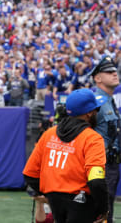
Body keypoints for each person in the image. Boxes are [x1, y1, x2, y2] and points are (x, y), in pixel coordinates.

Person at [23, 88, 109, 223]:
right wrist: (104, 209)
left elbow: (30, 174)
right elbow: (96, 181)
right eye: (96, 110)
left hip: (55, 203)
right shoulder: (93, 138)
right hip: (83, 204)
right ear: (89, 113)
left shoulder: (49, 134)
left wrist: (50, 195)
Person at [90, 56, 120, 223]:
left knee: (107, 210)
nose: (114, 74)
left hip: (111, 164)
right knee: (100, 211)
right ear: (98, 78)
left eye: (115, 71)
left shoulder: (109, 101)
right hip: (100, 164)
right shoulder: (95, 102)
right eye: (109, 72)